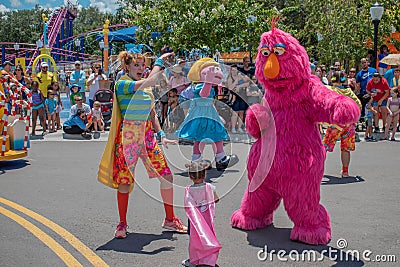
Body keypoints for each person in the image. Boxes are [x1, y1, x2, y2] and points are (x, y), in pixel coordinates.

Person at [98, 50, 188, 239]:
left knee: (167, 176)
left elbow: (153, 113)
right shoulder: (123, 84)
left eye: (143, 65)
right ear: (126, 67)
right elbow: (150, 81)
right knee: (125, 181)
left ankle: (170, 219)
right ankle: (122, 223)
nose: (141, 68)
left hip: (147, 135)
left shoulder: (146, 88)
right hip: (128, 136)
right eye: (137, 65)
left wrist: (161, 134)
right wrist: (158, 63)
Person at [176, 58, 239, 171]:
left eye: (216, 69)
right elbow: (203, 94)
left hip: (209, 114)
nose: (216, 72)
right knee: (200, 139)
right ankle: (197, 161)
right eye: (211, 70)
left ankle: (219, 158)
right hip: (201, 116)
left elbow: (209, 101)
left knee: (216, 136)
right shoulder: (201, 85)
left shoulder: (208, 86)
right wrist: (208, 81)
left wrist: (217, 116)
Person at [323, 71, 361, 178]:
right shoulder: (349, 91)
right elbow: (358, 105)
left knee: (324, 147)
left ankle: (317, 170)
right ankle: (345, 171)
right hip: (349, 123)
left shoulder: (329, 90)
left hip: (335, 123)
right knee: (345, 148)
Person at [182, 161, 221, 267]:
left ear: (190, 176)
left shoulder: (189, 189)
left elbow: (187, 204)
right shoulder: (210, 187)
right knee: (208, 236)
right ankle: (208, 259)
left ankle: (194, 260)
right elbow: (216, 199)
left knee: (194, 239)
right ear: (204, 175)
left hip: (195, 221)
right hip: (207, 219)